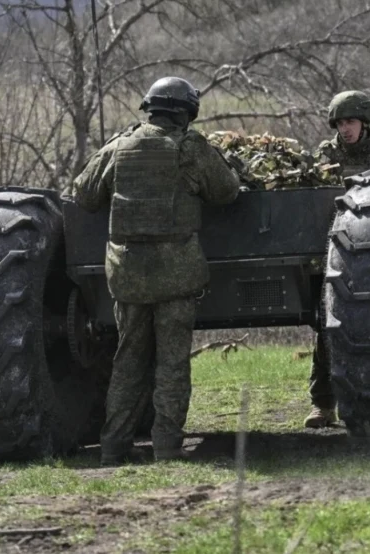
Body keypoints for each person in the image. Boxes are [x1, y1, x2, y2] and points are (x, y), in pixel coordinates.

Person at [73, 77, 240, 464]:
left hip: (128, 275)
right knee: (171, 363)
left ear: (149, 108)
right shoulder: (190, 148)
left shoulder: (119, 145)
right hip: (176, 276)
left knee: (127, 360)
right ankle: (167, 446)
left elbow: (84, 194)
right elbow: (227, 191)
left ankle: (114, 446)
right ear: (186, 113)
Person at [304, 90, 370, 429]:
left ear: (364, 122)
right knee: (328, 326)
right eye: (341, 123)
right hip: (332, 249)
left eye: (351, 122)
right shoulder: (325, 154)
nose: (345, 129)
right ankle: (323, 403)